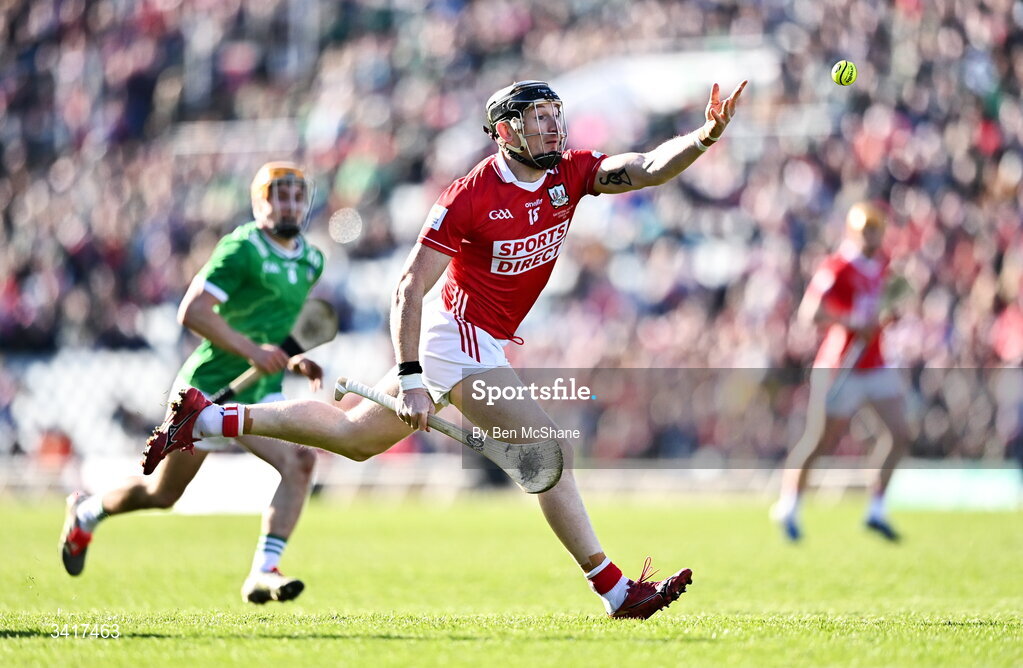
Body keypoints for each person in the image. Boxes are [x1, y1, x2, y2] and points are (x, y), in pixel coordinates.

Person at [145, 79, 747, 618]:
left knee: (354, 438)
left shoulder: (568, 173)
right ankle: (617, 591)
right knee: (544, 449)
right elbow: (408, 285)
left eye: (555, 115)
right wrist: (410, 375)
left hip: (475, 339)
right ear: (505, 130)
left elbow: (644, 168)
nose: (552, 126)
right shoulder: (471, 194)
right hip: (454, 335)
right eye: (539, 117)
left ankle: (208, 416)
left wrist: (705, 135)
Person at [60, 162, 326, 604]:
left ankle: (264, 570)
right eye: (281, 195)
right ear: (262, 202)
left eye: (298, 196)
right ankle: (85, 513)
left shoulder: (311, 259)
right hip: (208, 392)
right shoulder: (241, 248)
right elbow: (194, 312)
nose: (291, 204)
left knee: (300, 462)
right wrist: (254, 353)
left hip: (264, 391)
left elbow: (273, 327)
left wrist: (292, 359)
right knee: (161, 493)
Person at [771, 202, 913, 542]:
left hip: (875, 362)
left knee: (899, 433)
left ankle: (876, 508)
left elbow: (890, 304)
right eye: (867, 230)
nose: (872, 236)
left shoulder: (885, 265)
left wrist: (888, 317)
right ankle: (789, 503)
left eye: (876, 229)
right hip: (841, 364)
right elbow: (811, 313)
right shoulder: (837, 266)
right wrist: (852, 322)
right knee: (820, 441)